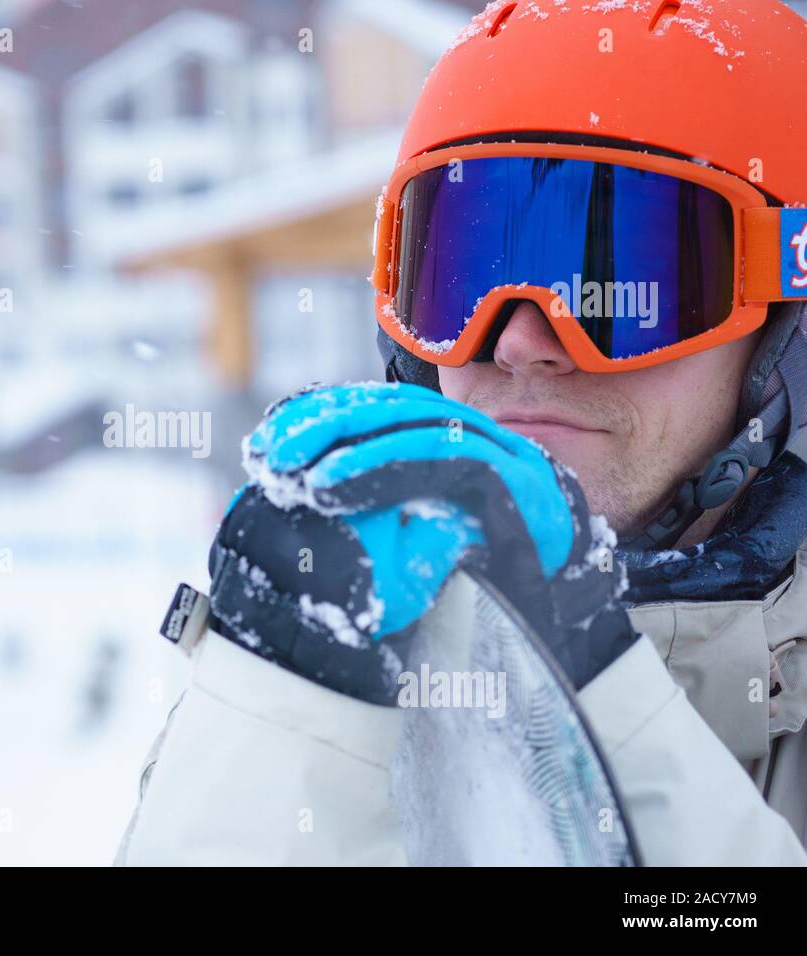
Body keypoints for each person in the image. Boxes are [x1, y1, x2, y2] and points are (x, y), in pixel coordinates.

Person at [116, 0, 807, 866]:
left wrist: (592, 682)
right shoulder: (350, 652)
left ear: (788, 336)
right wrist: (279, 709)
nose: (520, 340)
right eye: (465, 275)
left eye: (619, 277)